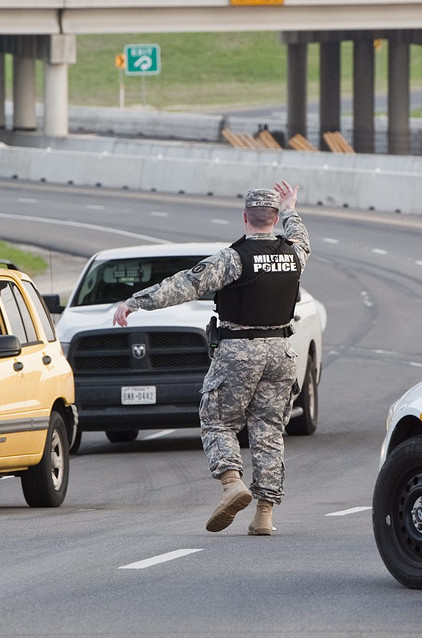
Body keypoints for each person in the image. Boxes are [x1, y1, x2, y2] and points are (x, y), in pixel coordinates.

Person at [112, 180, 309, 536]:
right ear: (275, 218)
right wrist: (292, 208)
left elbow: (186, 284)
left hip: (239, 350)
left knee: (217, 419)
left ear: (245, 218)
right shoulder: (295, 253)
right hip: (281, 351)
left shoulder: (233, 258)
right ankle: (264, 514)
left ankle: (232, 482)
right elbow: (301, 236)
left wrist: (135, 301)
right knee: (269, 431)